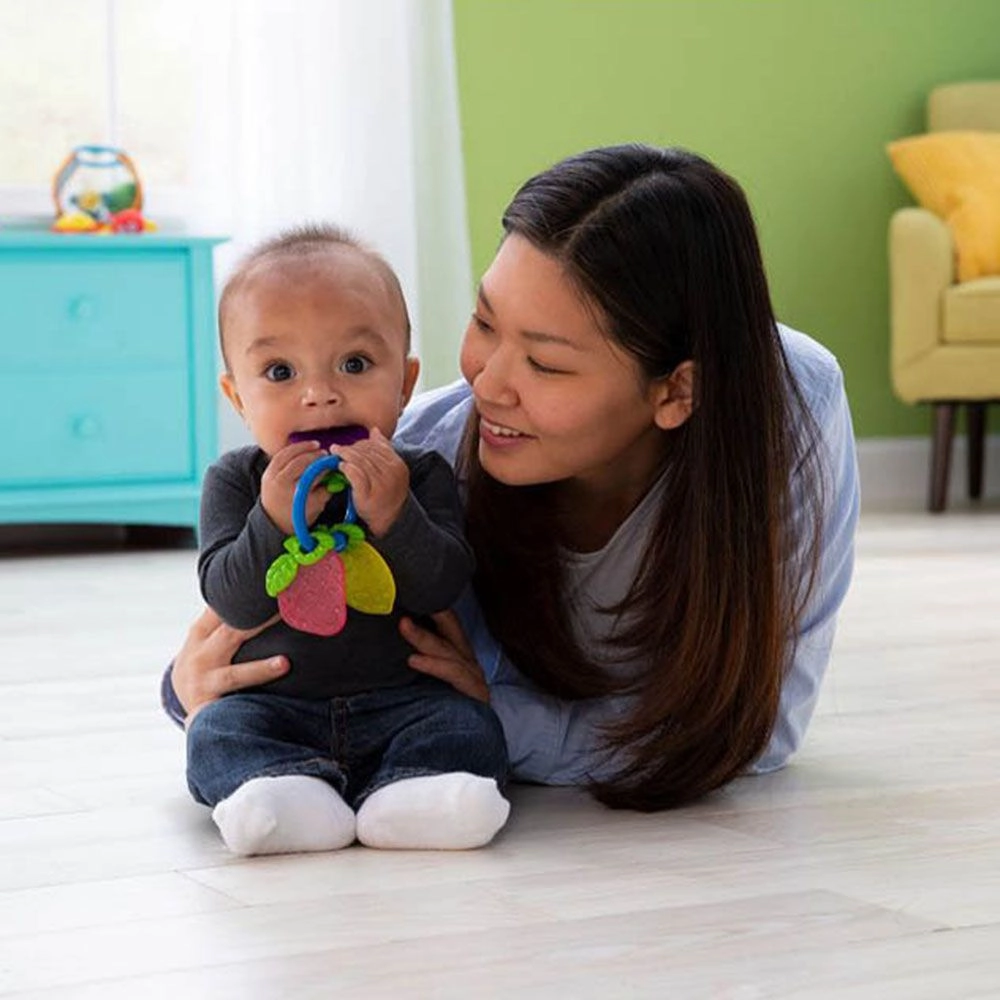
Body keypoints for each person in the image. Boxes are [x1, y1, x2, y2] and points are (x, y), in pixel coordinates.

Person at [164, 144, 859, 814]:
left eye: (547, 363)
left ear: (677, 392)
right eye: (485, 323)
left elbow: (757, 730)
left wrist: (496, 719)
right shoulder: (418, 454)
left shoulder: (791, 405)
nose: (487, 384)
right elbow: (302, 646)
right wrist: (189, 689)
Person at [185, 224, 510, 855]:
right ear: (237, 398)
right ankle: (283, 796)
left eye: (355, 364)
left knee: (470, 726)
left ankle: (417, 797)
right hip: (273, 708)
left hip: (405, 699)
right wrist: (273, 522)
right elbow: (232, 600)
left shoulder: (419, 475)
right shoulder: (233, 482)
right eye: (279, 372)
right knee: (215, 733)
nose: (319, 393)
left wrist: (394, 516)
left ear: (405, 383)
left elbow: (442, 584)